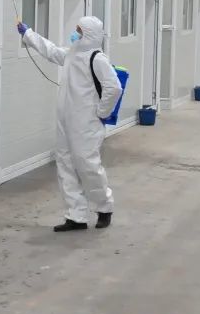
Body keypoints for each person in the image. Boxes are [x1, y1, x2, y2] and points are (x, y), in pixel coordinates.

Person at [17, 16, 123, 232]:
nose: (75, 34)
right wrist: (28, 34)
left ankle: (104, 208)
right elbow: (51, 51)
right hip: (66, 120)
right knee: (65, 166)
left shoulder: (97, 58)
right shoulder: (72, 54)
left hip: (87, 123)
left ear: (88, 34)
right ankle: (76, 216)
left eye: (78, 30)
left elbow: (114, 88)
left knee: (88, 166)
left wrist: (102, 112)